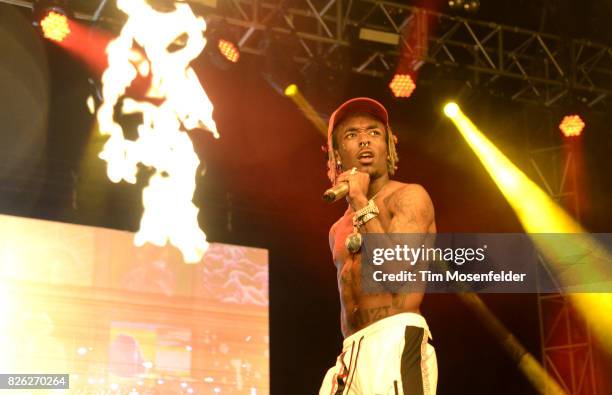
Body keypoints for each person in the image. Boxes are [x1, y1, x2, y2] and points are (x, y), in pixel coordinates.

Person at [319, 98, 438, 395]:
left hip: (394, 338)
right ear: (336, 155)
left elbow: (395, 269)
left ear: (389, 146)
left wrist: (360, 201)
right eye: (351, 135)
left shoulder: (410, 197)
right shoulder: (337, 229)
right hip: (351, 350)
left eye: (373, 132)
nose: (364, 142)